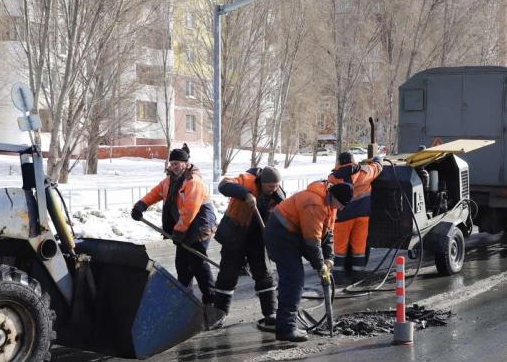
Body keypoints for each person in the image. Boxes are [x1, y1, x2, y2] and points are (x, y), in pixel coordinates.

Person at [264, 181, 353, 342]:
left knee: (295, 278)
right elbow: (312, 242)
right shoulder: (314, 203)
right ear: (334, 197)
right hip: (280, 235)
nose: (340, 209)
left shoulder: (330, 204)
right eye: (340, 205)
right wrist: (320, 267)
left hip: (294, 234)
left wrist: (329, 259)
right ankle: (286, 329)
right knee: (294, 279)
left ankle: (286, 323)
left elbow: (327, 234)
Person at [131, 144, 217, 307]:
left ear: (185, 164)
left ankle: (210, 300)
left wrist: (178, 231)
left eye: (177, 163)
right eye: (172, 163)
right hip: (183, 226)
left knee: (197, 263)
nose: (173, 166)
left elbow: (190, 209)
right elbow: (155, 193)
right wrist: (141, 205)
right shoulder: (169, 180)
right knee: (182, 265)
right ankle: (186, 301)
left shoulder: (193, 181)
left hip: (200, 224)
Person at [211, 166, 286, 331]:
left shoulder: (278, 196)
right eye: (270, 186)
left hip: (257, 238)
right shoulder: (246, 180)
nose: (273, 190)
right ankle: (219, 314)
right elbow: (224, 185)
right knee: (227, 275)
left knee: (264, 274)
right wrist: (246, 194)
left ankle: (271, 313)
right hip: (235, 233)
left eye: (276, 186)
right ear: (261, 182)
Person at [327, 152, 383, 279]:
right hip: (362, 216)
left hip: (342, 217)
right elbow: (377, 167)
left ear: (338, 163)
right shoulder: (365, 172)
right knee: (359, 246)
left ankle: (339, 276)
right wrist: (377, 160)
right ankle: (358, 274)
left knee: (339, 248)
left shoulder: (333, 178)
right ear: (353, 161)